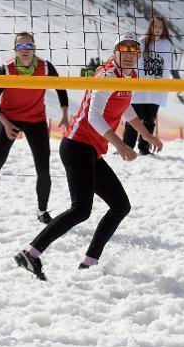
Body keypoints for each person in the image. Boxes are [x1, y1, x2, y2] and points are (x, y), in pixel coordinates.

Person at [14, 32, 163, 280]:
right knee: (81, 209)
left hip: (91, 150)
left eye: (133, 51)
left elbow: (125, 107)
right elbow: (95, 116)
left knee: (120, 206)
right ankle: (31, 252)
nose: (128, 55)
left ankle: (89, 262)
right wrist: (121, 146)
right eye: (123, 50)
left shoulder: (131, 76)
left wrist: (146, 135)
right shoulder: (106, 74)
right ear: (115, 53)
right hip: (76, 146)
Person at [0, 32, 69, 224]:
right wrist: (5, 124)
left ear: (34, 48)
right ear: (15, 50)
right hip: (9, 119)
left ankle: (42, 212)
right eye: (20, 47)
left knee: (44, 168)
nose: (25, 50)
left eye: (28, 46)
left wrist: (64, 113)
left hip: (36, 120)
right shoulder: (7, 69)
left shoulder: (45, 67)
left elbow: (61, 88)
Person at [122, 15, 180, 155]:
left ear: (164, 29)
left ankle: (144, 149)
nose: (158, 29)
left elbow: (173, 66)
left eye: (160, 27)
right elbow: (132, 60)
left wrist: (177, 79)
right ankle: (126, 147)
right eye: (155, 26)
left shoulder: (168, 45)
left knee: (150, 120)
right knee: (134, 119)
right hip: (140, 89)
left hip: (157, 90)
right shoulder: (142, 42)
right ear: (151, 27)